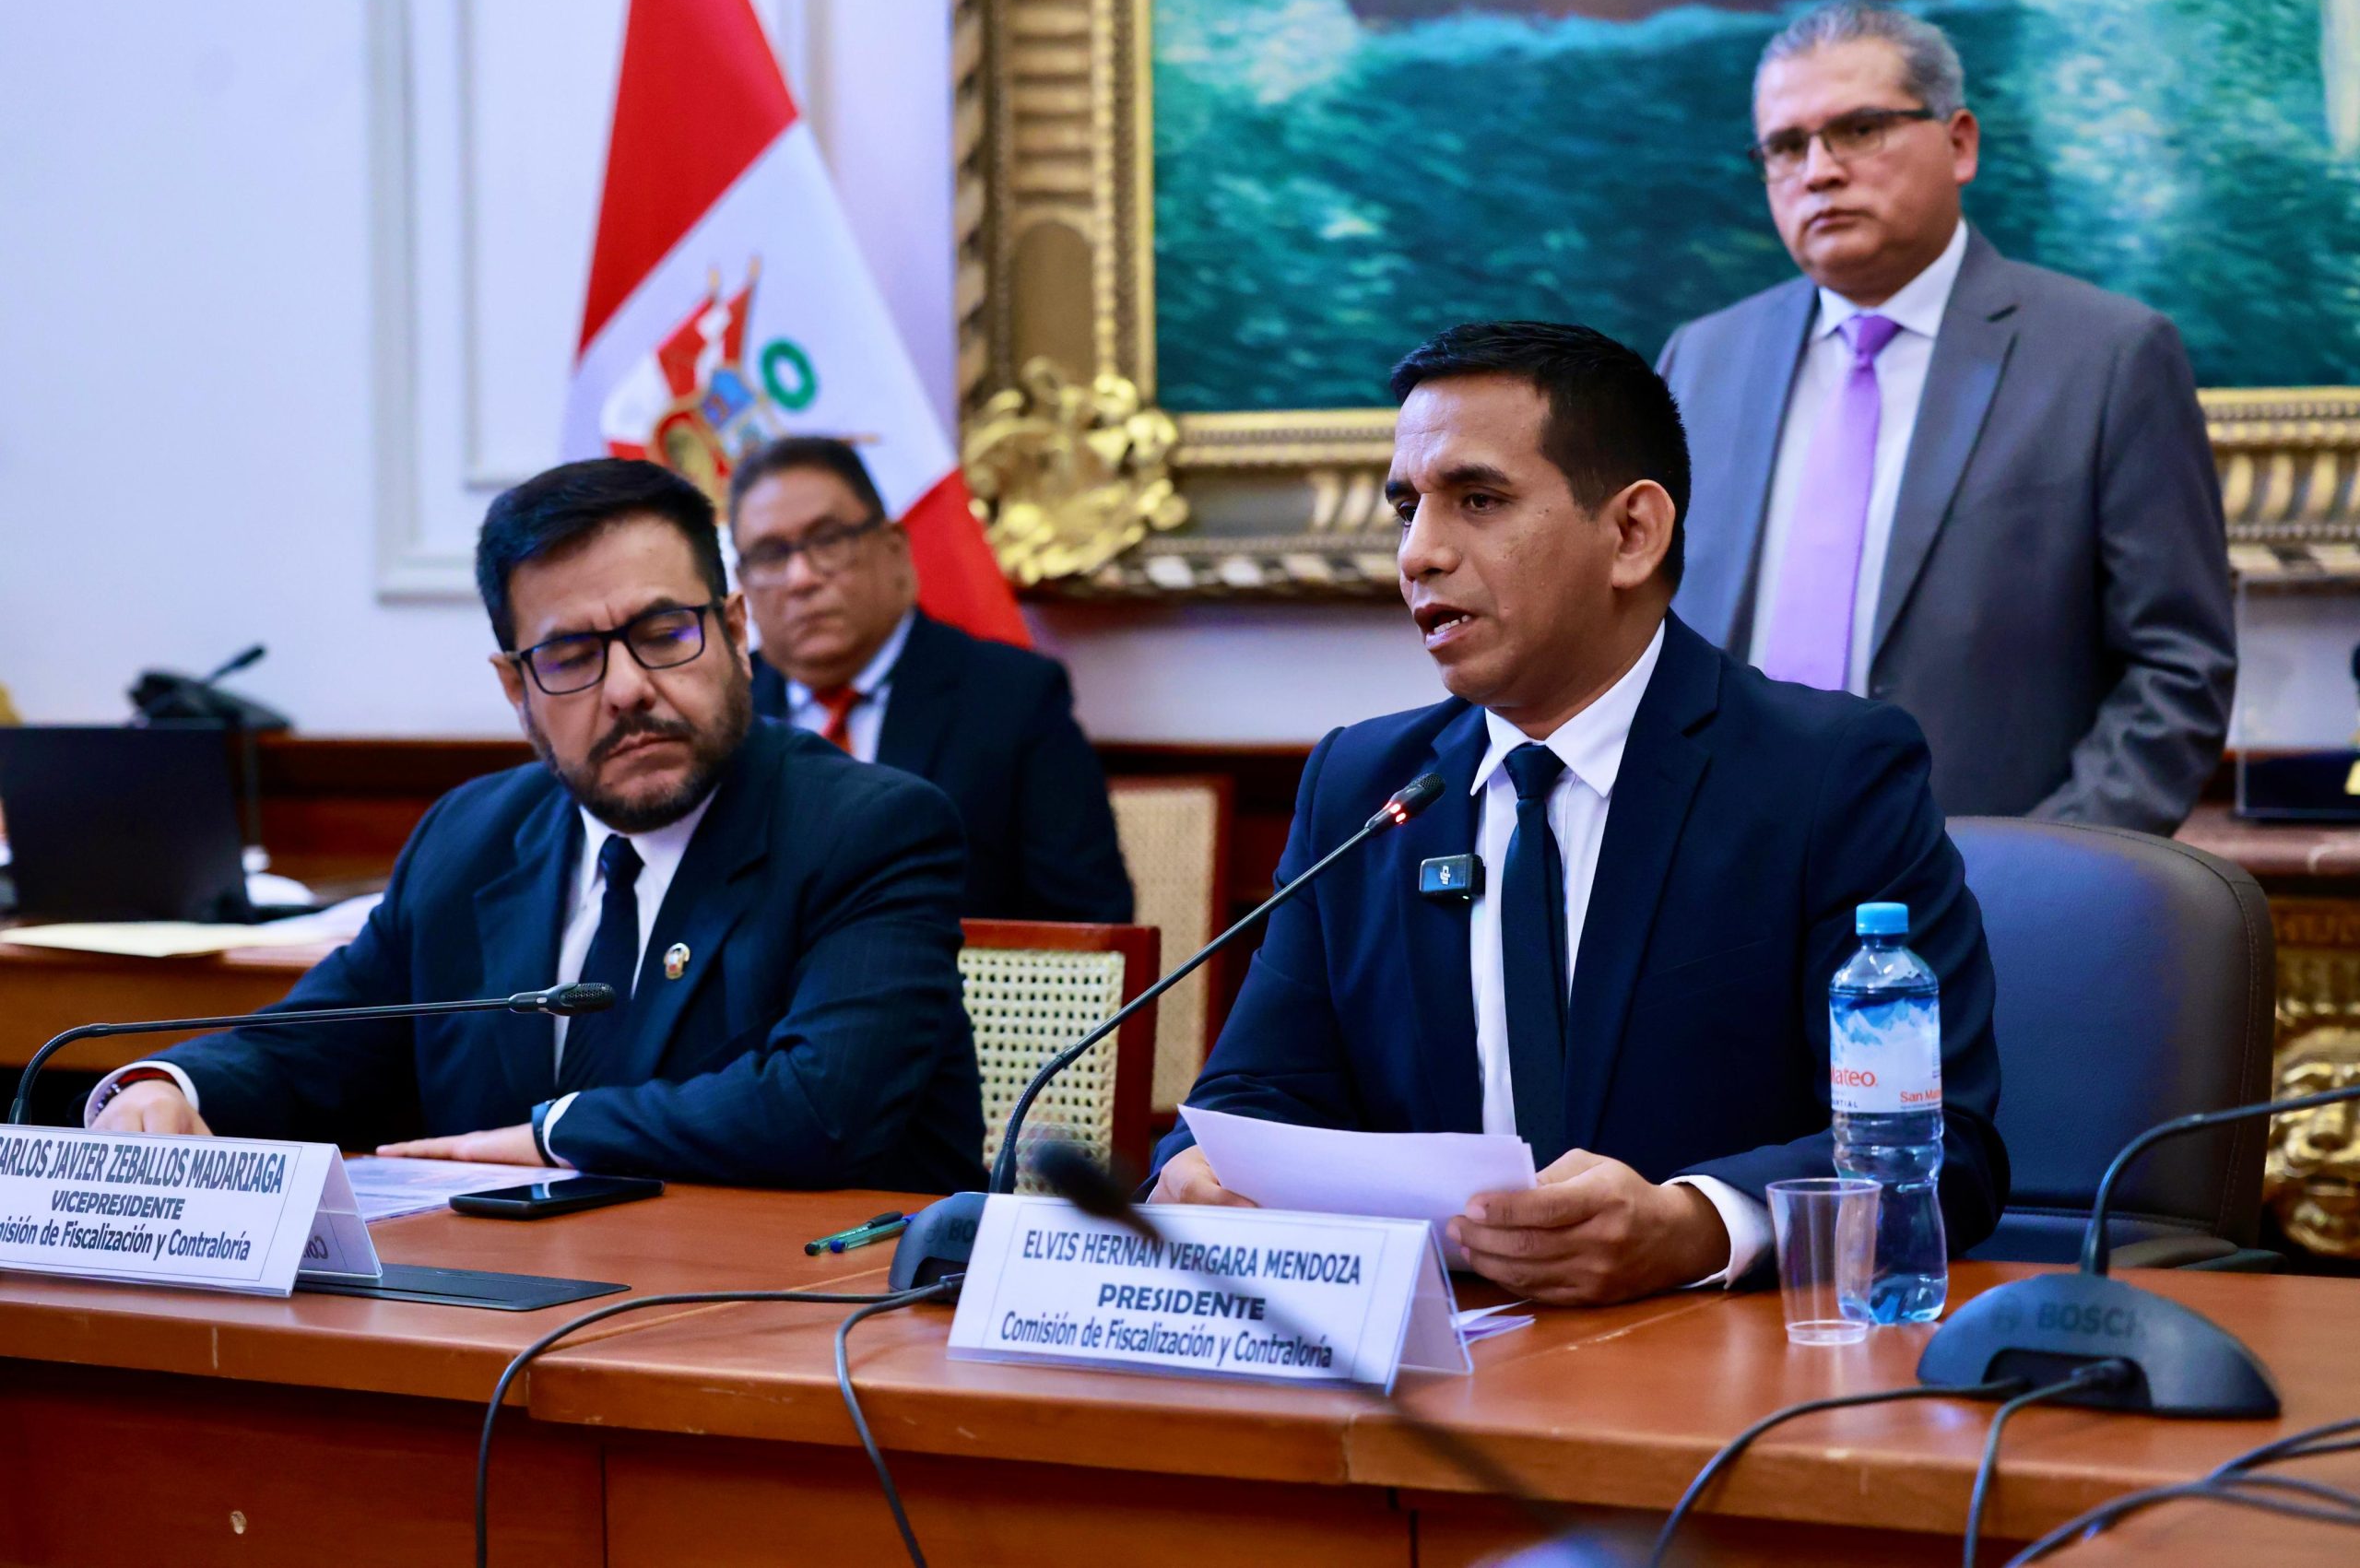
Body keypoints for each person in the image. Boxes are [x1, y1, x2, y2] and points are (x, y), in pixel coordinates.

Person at [1147, 322, 2007, 1305]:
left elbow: (1944, 1154)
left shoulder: (1825, 776)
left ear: (1632, 532)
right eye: (1406, 509)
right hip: (1435, 1346)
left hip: (1707, 1353)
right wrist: (1198, 1174)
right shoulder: (1363, 785)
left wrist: (1694, 1226)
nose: (1419, 554)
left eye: (1478, 500)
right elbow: (1251, 1096)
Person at [88, 458, 985, 1192]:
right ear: (516, 689)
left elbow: (817, 1110)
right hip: (502, 1319)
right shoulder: (469, 839)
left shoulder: (869, 831)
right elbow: (314, 1047)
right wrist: (169, 1087)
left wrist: (555, 1134)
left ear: (735, 631)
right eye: (571, 655)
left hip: (801, 1317)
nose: (627, 688)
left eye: (664, 633)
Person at [1658, 1, 2234, 835]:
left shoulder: (2107, 358)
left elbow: (2177, 671)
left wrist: (2044, 874)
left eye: (1859, 130)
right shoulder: (1700, 362)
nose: (1818, 172)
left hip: (1986, 880)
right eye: (1785, 146)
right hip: (1719, 875)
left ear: (1959, 143)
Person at [733, 437, 1133, 925]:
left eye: (828, 540)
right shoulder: (725, 712)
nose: (801, 578)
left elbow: (1090, 929)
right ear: (742, 584)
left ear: (894, 549)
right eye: (770, 555)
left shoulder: (1013, 699)